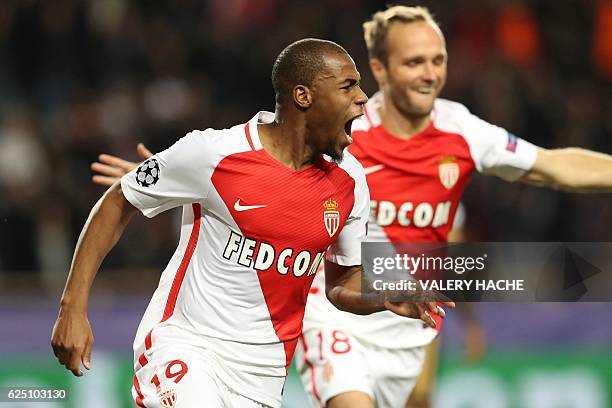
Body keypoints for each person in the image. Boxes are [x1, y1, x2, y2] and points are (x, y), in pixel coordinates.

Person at [90, 6, 612, 408]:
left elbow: (554, 167)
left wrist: (467, 313)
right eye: (413, 62)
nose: (429, 74)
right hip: (331, 308)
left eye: (437, 61)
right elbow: (257, 163)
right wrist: (158, 179)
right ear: (381, 70)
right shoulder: (341, 133)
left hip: (402, 301)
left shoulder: (465, 131)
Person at [51, 38, 452, 408]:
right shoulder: (214, 153)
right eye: (348, 86)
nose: (363, 98)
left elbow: (342, 282)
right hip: (188, 349)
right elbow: (119, 199)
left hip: (261, 377)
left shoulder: (350, 184)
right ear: (303, 96)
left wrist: (383, 293)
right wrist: (73, 306)